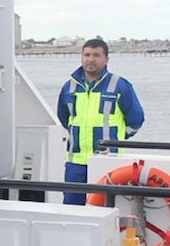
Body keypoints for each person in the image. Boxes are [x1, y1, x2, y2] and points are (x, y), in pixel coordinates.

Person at [57, 38, 145, 205]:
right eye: (87, 54)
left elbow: (136, 120)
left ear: (106, 59)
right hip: (76, 162)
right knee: (72, 209)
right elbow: (64, 118)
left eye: (96, 55)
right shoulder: (69, 87)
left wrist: (117, 138)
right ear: (81, 57)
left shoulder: (119, 85)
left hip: (109, 160)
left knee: (106, 208)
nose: (91, 59)